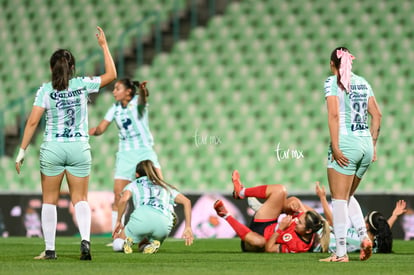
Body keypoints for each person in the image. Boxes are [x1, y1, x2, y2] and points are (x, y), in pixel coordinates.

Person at [15, 26, 117, 260]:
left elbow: (32, 123)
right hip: (79, 148)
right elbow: (111, 75)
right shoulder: (82, 84)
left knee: (49, 201)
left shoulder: (45, 90)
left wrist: (21, 152)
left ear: (52, 68)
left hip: (53, 147)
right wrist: (104, 46)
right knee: (80, 199)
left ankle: (50, 250)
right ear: (72, 68)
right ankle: (85, 243)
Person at [322, 47, 382, 262]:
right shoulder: (363, 82)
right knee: (347, 197)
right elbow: (377, 115)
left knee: (338, 200)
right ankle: (364, 237)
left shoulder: (332, 82)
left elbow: (334, 115)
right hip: (365, 145)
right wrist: (373, 146)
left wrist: (336, 147)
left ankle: (340, 253)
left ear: (332, 64)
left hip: (346, 144)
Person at [89, 79, 162, 233]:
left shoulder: (137, 102)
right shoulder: (114, 109)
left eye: (117, 88)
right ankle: (117, 232)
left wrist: (142, 90)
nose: (114, 92)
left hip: (144, 151)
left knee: (158, 188)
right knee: (118, 196)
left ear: (128, 91)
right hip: (125, 154)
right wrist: (92, 131)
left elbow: (144, 97)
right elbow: (101, 128)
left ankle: (157, 227)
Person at [214, 170, 330, 253]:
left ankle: (225, 215)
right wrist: (294, 203)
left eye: (299, 223)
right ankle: (241, 192)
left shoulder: (298, 246)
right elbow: (295, 203)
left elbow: (269, 248)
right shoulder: (307, 220)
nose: (296, 222)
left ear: (308, 231)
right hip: (266, 223)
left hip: (258, 242)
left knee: (259, 242)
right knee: (280, 190)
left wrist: (280, 229)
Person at [111, 160, 193, 254]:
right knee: (145, 243)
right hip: (164, 224)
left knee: (117, 242)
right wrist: (188, 227)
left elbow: (123, 200)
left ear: (137, 175)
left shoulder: (134, 184)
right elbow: (187, 202)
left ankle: (124, 244)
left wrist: (118, 220)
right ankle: (150, 245)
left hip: (142, 218)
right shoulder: (164, 185)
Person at [315, 182, 407, 254]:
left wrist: (322, 198)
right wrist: (394, 215)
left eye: (364, 218)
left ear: (366, 225)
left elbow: (332, 223)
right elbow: (384, 229)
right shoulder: (375, 242)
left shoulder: (357, 238)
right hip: (324, 236)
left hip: (320, 241)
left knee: (306, 210)